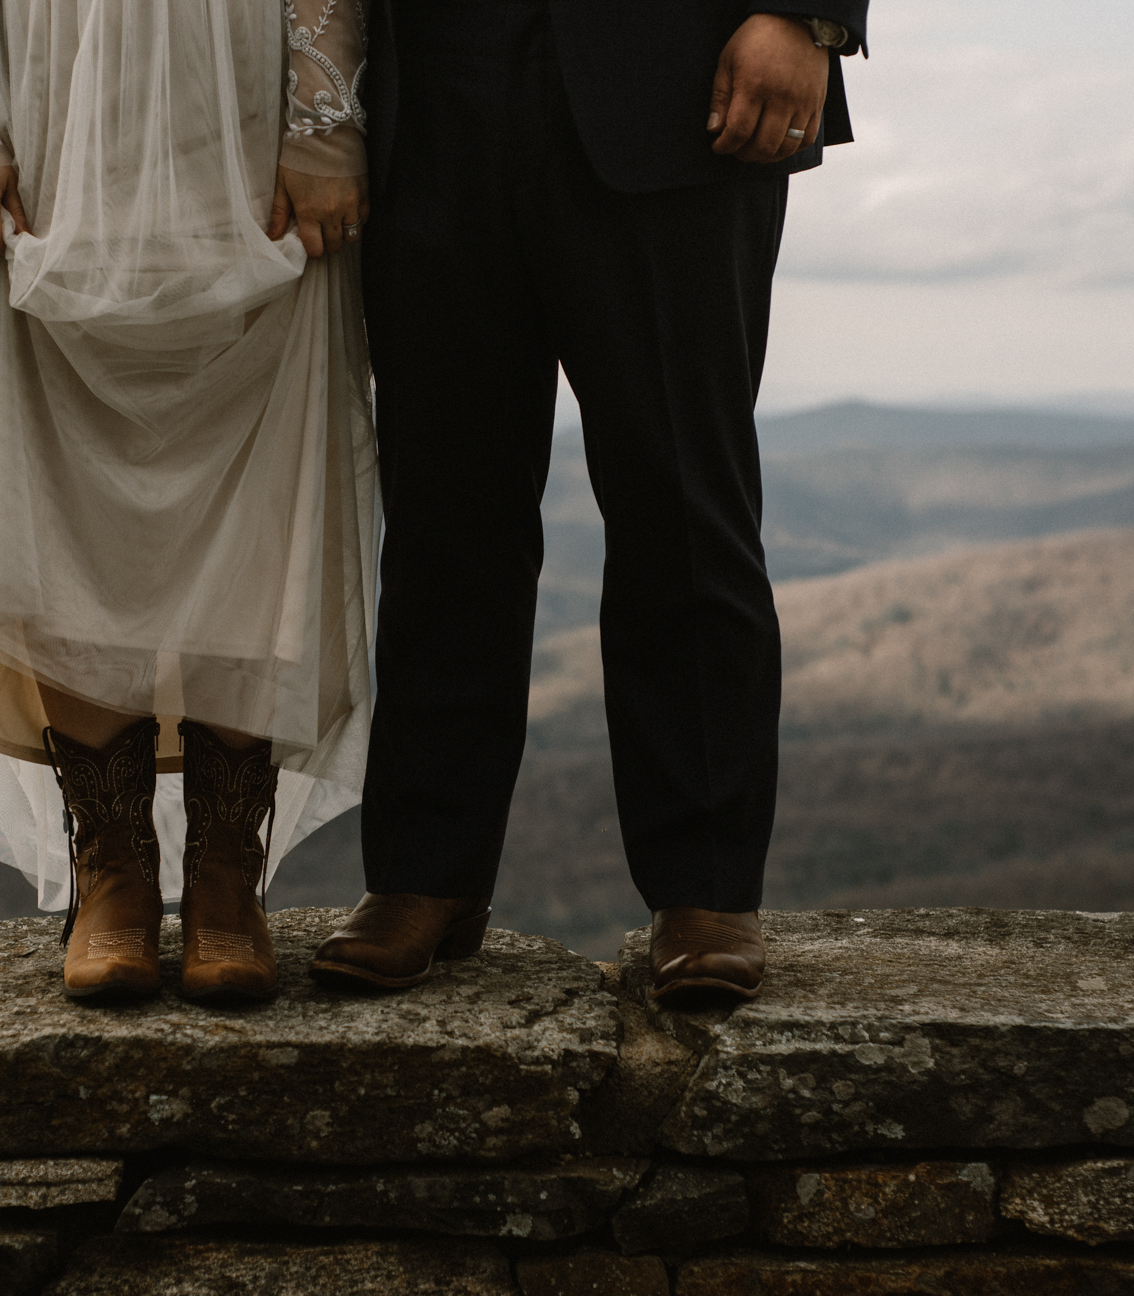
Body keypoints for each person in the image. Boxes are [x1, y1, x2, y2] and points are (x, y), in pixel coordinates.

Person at [308, 1, 868, 1002]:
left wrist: (805, 15)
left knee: (683, 503)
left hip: (678, 82)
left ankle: (704, 889)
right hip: (427, 88)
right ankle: (423, 874)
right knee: (441, 511)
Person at [0, 0, 375, 1003]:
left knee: (261, 476)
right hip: (55, 85)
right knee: (58, 478)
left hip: (245, 90)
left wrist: (321, 119)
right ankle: (116, 875)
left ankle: (228, 875)